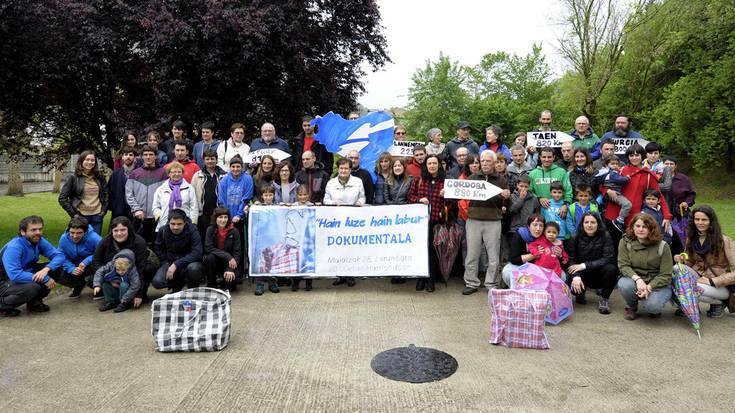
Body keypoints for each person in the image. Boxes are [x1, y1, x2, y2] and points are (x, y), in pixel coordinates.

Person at [461, 150, 510, 295]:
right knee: (472, 253)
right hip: (474, 220)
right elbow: (459, 194)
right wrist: (448, 193)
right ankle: (471, 282)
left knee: (493, 254)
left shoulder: (501, 180)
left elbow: (507, 203)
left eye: (488, 161)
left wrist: (506, 197)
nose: (485, 163)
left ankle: (491, 283)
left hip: (493, 221)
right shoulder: (472, 178)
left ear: (494, 163)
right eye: (483, 161)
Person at [601, 144, 672, 243]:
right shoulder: (620, 170)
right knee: (613, 245)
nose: (634, 158)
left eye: (637, 155)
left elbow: (659, 196)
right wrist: (607, 191)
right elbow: (602, 184)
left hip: (634, 216)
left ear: (642, 156)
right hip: (615, 213)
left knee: (632, 246)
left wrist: (667, 215)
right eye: (631, 155)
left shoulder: (648, 175)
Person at [675, 205, 735, 317]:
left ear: (711, 221)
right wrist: (682, 260)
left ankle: (720, 303)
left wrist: (712, 281)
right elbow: (691, 263)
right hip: (701, 278)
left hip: (722, 285)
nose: (700, 222)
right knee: (677, 268)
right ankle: (693, 307)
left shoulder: (725, 241)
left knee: (692, 288)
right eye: (697, 219)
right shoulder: (692, 238)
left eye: (704, 220)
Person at [0, 216, 64, 314]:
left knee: (56, 267)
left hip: (24, 273)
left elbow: (59, 256)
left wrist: (46, 269)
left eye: (40, 229)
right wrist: (45, 278)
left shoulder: (38, 240)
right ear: (23, 232)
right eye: (33, 230)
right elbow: (15, 275)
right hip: (4, 281)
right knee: (32, 287)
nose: (38, 232)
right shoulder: (14, 247)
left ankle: (34, 303)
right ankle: (3, 306)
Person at [408, 154, 453, 293]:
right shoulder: (419, 180)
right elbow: (410, 197)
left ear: (439, 165)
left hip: (437, 223)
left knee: (433, 252)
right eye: (429, 163)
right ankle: (421, 278)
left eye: (434, 163)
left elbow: (452, 203)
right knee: (421, 250)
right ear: (426, 166)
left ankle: (431, 279)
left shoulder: (446, 181)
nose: (432, 166)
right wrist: (419, 199)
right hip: (421, 223)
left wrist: (447, 195)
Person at [89, 216, 157, 306]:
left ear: (129, 229)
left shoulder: (139, 242)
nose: (119, 233)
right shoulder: (105, 241)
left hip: (134, 272)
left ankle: (142, 293)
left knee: (149, 268)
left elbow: (140, 267)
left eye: (123, 230)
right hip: (114, 271)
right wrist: (109, 278)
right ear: (111, 231)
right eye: (116, 230)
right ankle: (113, 295)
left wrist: (139, 294)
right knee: (92, 280)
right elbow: (96, 261)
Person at [567, 212, 617, 314]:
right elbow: (571, 259)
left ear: (598, 224)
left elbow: (608, 258)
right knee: (572, 275)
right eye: (586, 222)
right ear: (582, 224)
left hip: (599, 272)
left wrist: (584, 265)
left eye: (593, 222)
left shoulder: (605, 236)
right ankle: (580, 294)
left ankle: (604, 299)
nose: (589, 225)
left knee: (612, 269)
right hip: (582, 273)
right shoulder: (574, 237)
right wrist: (576, 277)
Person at [152, 209, 204, 293]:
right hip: (170, 261)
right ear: (168, 222)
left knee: (194, 269)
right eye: (173, 224)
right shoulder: (163, 230)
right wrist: (165, 262)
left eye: (179, 224)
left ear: (185, 223)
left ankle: (193, 289)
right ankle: (177, 284)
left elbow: (197, 253)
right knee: (157, 282)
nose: (176, 227)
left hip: (189, 262)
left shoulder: (193, 230)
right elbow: (158, 247)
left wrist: (176, 264)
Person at [59, 150, 108, 235]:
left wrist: (103, 210)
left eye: (92, 160)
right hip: (80, 216)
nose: (90, 162)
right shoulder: (73, 177)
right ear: (81, 161)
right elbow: (62, 198)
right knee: (79, 241)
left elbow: (106, 193)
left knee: (95, 244)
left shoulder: (99, 176)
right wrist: (74, 214)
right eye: (87, 159)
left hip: (97, 216)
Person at [126, 145, 168, 244]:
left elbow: (166, 193)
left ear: (155, 156)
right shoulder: (134, 173)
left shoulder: (163, 173)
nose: (148, 157)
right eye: (145, 155)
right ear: (142, 157)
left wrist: (160, 210)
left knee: (156, 242)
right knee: (138, 243)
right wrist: (136, 209)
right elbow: (129, 194)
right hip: (139, 215)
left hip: (157, 216)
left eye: (151, 154)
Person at [56, 216, 102, 298]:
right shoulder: (63, 238)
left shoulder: (94, 238)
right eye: (72, 232)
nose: (75, 236)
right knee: (57, 271)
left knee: (93, 279)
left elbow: (103, 253)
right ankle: (78, 285)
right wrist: (71, 268)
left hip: (92, 265)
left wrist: (86, 261)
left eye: (79, 233)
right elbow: (60, 255)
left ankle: (99, 288)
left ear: (86, 231)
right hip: (75, 266)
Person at [217, 155, 254, 243]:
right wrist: (227, 215)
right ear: (230, 167)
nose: (235, 169)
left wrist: (239, 214)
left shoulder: (248, 179)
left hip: (241, 217)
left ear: (242, 167)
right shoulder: (224, 180)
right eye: (233, 167)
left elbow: (247, 197)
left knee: (241, 240)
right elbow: (222, 199)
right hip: (227, 217)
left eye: (238, 167)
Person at [152, 162, 199, 231]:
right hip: (165, 223)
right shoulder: (161, 189)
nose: (176, 174)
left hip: (184, 224)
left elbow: (194, 207)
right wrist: (159, 216)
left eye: (179, 172)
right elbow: (155, 206)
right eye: (173, 172)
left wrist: (192, 223)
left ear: (182, 173)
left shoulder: (189, 188)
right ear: (169, 174)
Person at [191, 149, 226, 240]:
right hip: (203, 214)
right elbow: (193, 195)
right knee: (204, 237)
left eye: (212, 159)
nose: (210, 161)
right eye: (207, 159)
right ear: (203, 160)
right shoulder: (197, 176)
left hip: (219, 213)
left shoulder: (224, 175)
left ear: (216, 160)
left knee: (218, 238)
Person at [203, 207, 241, 291]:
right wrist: (227, 256)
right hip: (216, 261)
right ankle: (211, 284)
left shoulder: (234, 231)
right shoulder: (210, 230)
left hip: (229, 263)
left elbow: (237, 252)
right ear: (215, 218)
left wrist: (230, 269)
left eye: (225, 217)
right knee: (209, 258)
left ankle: (224, 281)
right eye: (220, 217)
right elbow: (208, 248)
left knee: (231, 283)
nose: (223, 220)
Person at [501, 214, 545, 287]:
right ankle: (515, 291)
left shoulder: (546, 236)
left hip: (539, 267)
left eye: (541, 226)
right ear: (528, 226)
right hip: (520, 266)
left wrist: (559, 253)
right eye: (535, 225)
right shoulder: (519, 235)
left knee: (562, 275)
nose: (538, 229)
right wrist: (533, 255)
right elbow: (514, 259)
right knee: (507, 272)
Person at [529, 147, 573, 217]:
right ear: (540, 157)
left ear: (554, 157)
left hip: (558, 211)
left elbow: (568, 191)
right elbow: (530, 192)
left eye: (549, 157)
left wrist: (565, 204)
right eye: (544, 157)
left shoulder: (562, 172)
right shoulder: (533, 173)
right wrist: (539, 198)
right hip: (539, 211)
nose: (546, 160)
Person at [596, 155, 632, 232]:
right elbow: (620, 180)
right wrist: (627, 178)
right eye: (612, 164)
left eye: (616, 163)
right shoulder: (612, 173)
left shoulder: (607, 172)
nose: (615, 165)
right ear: (607, 165)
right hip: (614, 194)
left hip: (610, 194)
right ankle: (619, 220)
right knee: (627, 204)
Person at [662, 156, 695, 220]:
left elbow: (691, 194)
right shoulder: (658, 178)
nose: (669, 166)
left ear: (675, 166)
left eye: (671, 164)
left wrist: (687, 202)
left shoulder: (683, 178)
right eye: (666, 164)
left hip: (680, 212)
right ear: (662, 165)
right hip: (663, 212)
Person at [108, 145, 136, 220]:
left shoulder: (139, 174)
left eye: (131, 155)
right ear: (122, 157)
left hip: (135, 211)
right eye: (126, 154)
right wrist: (114, 207)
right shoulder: (115, 174)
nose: (128, 157)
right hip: (119, 211)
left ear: (134, 157)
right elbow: (110, 192)